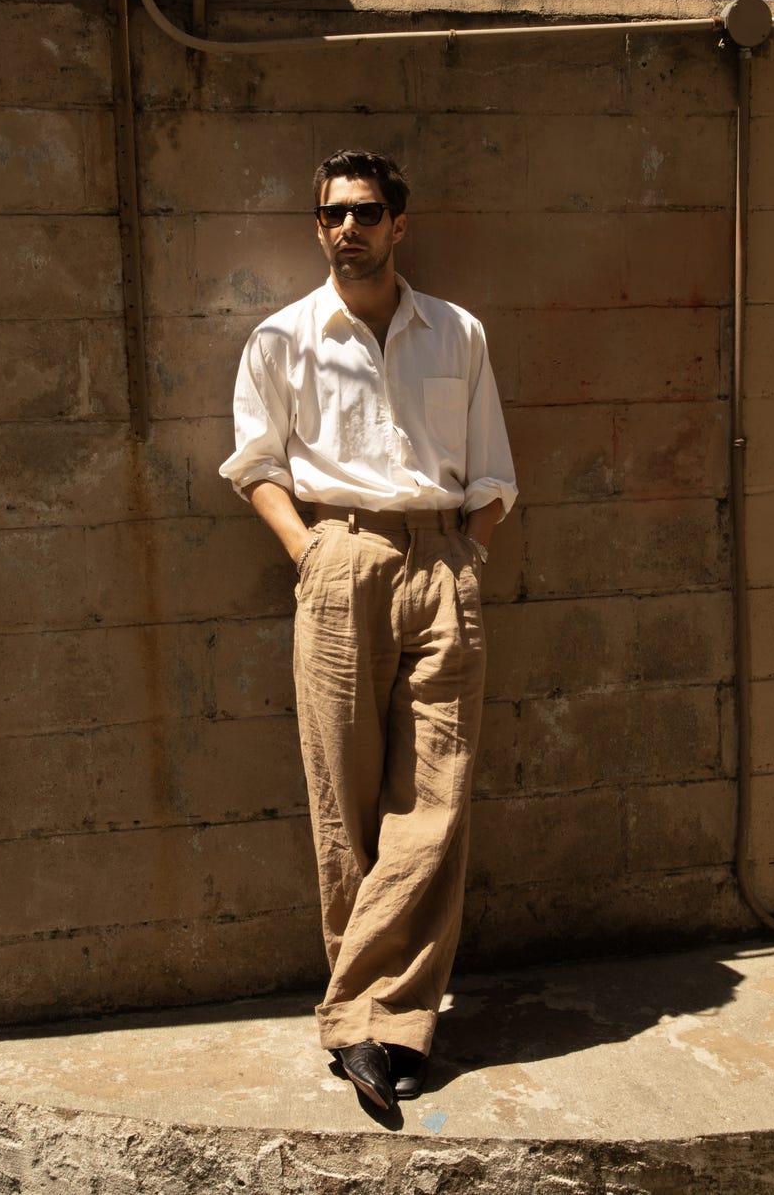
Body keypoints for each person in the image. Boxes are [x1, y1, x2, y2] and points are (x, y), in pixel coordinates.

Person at [220, 149, 517, 1111]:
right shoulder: (281, 338)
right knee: (342, 800)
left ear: (400, 223)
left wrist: (464, 552)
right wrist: (310, 554)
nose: (348, 226)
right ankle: (377, 1024)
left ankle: (372, 1020)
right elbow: (257, 463)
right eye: (332, 213)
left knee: (435, 801)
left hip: (443, 564)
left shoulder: (458, 333)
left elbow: (494, 475)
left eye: (367, 211)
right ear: (318, 226)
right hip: (339, 561)